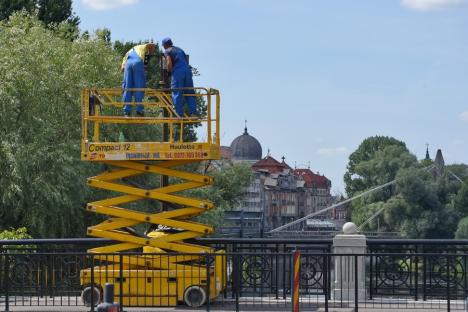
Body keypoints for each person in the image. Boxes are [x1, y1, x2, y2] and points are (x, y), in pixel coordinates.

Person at [162, 38, 197, 117]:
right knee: (190, 93)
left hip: (178, 71)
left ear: (164, 45)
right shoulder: (180, 50)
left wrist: (169, 72)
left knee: (176, 91)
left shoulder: (167, 51)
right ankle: (193, 113)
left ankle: (179, 114)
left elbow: (169, 63)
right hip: (187, 71)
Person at [121, 43, 156, 117]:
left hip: (127, 64)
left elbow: (122, 69)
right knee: (139, 87)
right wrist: (151, 53)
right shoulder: (140, 47)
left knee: (127, 87)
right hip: (138, 62)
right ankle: (139, 111)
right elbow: (152, 44)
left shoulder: (127, 53)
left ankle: (126, 112)